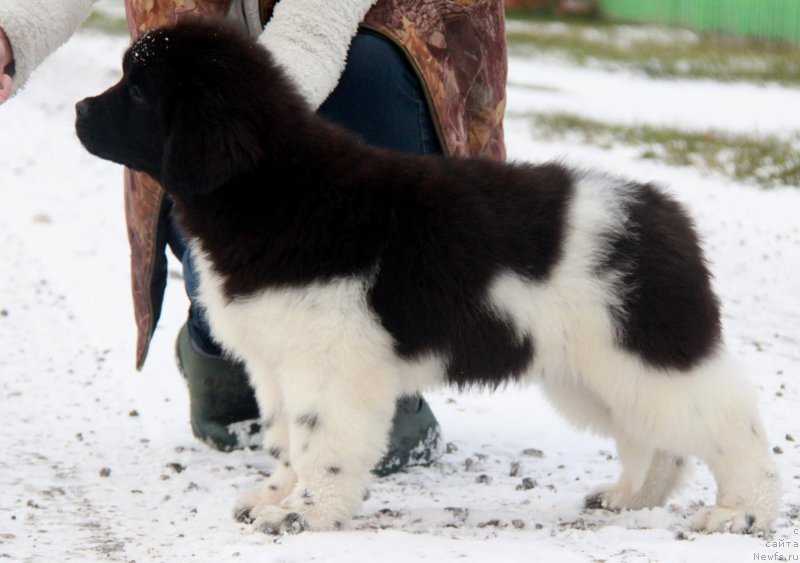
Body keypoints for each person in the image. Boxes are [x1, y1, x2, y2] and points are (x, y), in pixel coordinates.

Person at [0, 0, 507, 474]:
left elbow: (314, 28)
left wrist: (241, 121)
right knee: (185, 100)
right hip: (233, 101)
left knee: (367, 66)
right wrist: (10, 30)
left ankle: (378, 350)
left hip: (349, 44)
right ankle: (218, 335)